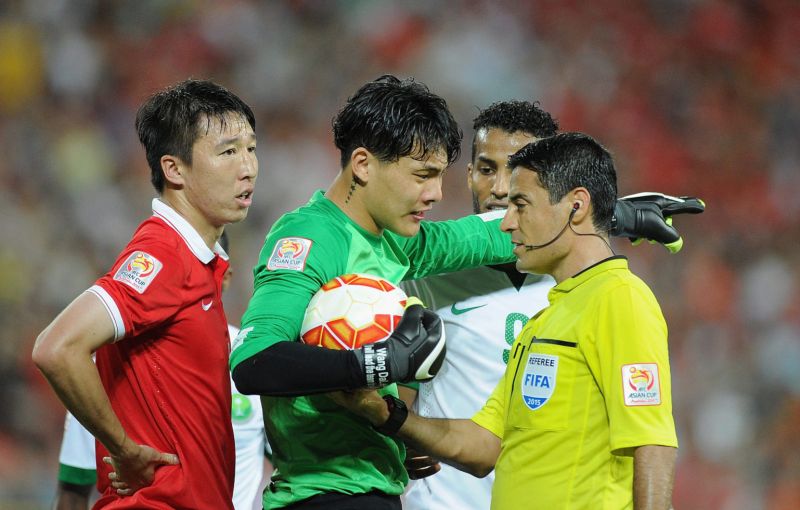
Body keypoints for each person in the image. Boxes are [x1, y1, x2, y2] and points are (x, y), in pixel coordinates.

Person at [230, 75, 692, 510]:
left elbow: (493, 233)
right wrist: (375, 364)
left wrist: (615, 214)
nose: (435, 194)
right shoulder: (311, 238)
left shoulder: (402, 244)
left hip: (373, 487)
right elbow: (253, 360)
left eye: (440, 176)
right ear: (364, 164)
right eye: (422, 175)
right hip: (323, 492)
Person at [332, 132, 681, 510]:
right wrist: (384, 413)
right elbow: (483, 444)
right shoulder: (543, 322)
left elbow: (652, 444)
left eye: (520, 205)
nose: (505, 223)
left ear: (576, 207)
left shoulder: (619, 298)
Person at [33, 79, 258, 509]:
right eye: (228, 152)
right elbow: (56, 348)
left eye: (251, 148)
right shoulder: (164, 254)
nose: (248, 167)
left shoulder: (198, 261)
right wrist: (124, 449)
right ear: (174, 170)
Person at [51, 232, 269, 510]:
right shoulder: (98, 371)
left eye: (202, 263)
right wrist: (125, 450)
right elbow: (72, 494)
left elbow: (291, 468)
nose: (185, 274)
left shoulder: (251, 360)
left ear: (223, 276)